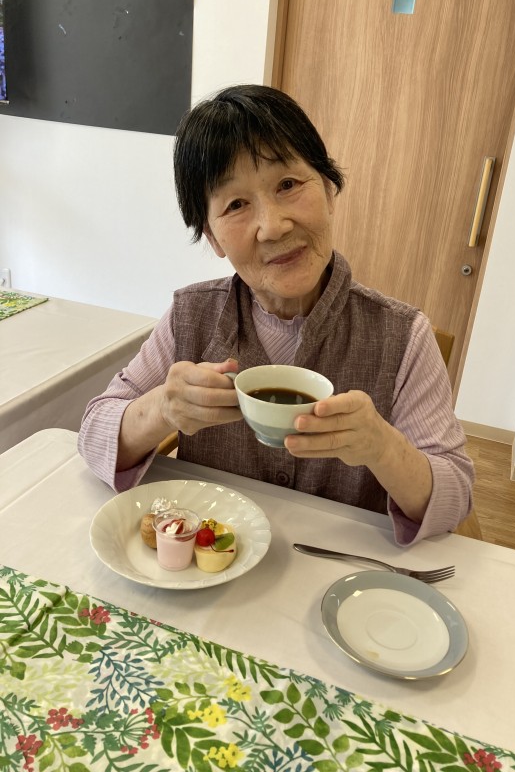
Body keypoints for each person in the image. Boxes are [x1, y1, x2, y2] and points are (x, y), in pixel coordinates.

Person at [78, 84, 474, 547]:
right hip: (216, 568)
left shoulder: (402, 335)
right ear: (213, 237)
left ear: (329, 189)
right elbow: (93, 433)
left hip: (338, 572)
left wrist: (382, 446)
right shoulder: (191, 316)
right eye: (236, 205)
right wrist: (163, 408)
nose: (273, 226)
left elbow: (454, 497)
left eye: (288, 185)